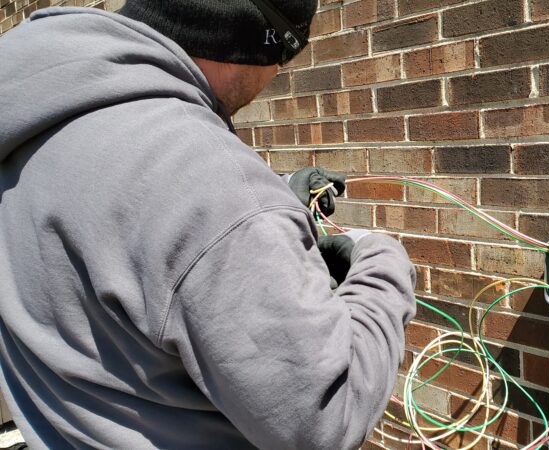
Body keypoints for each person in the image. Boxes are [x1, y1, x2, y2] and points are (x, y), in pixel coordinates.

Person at [0, 1, 417, 448]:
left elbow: (123, 206)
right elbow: (326, 419)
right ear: (258, 41)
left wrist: (277, 199)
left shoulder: (39, 112)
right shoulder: (211, 185)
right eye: (286, 57)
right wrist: (382, 260)